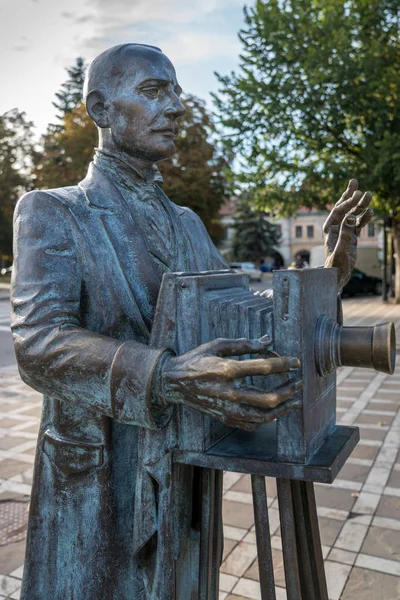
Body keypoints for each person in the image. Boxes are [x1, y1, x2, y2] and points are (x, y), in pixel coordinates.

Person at [11, 43, 373, 600]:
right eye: (155, 92)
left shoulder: (187, 224)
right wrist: (163, 375)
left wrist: (330, 276)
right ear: (101, 110)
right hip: (100, 484)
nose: (176, 106)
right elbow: (38, 343)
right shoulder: (53, 211)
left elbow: (245, 319)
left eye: (177, 91)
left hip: (184, 476)